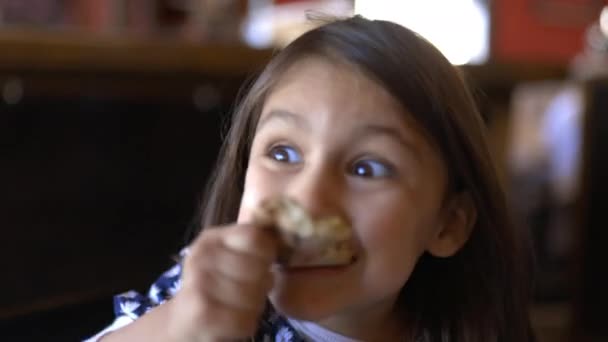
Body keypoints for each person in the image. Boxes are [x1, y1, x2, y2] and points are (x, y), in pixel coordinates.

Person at [86, 16, 534, 342]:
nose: (308, 196)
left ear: (448, 224)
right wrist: (180, 329)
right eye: (283, 153)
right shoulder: (199, 299)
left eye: (367, 168)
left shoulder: (460, 329)